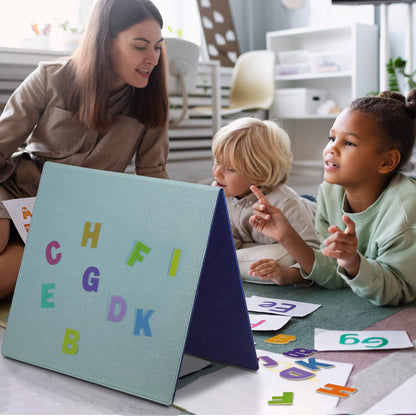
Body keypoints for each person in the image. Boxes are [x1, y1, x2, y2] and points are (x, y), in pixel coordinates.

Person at [0, 0, 170, 299]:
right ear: (105, 43)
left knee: (4, 281)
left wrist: (170, 231)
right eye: (140, 46)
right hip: (16, 192)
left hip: (74, 220)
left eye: (157, 47)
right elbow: (2, 142)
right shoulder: (50, 77)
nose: (152, 59)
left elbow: (153, 173)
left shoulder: (150, 103)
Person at [250, 90, 416, 306]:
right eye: (332, 138)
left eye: (349, 143)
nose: (331, 149)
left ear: (386, 162)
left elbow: (397, 289)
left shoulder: (406, 210)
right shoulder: (329, 191)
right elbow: (332, 269)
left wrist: (352, 262)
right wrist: (286, 235)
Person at [211, 117, 321, 284]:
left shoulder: (285, 203)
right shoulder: (220, 191)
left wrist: (286, 275)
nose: (217, 172)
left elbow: (313, 255)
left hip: (313, 212)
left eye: (231, 169)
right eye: (217, 161)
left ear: (259, 176)